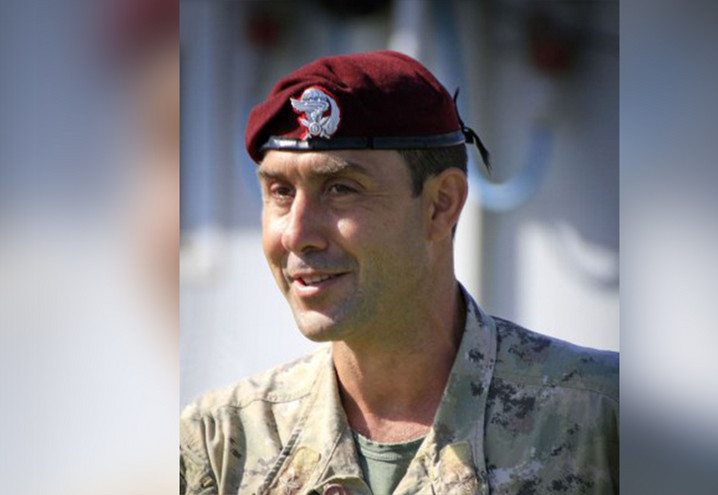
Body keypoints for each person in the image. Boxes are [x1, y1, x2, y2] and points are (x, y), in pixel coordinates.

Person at [180, 50, 618, 495]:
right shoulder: (219, 446)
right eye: (280, 191)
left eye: (340, 189)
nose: (296, 234)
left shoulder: (600, 421)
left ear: (440, 205)